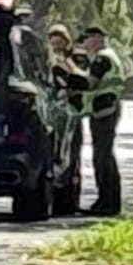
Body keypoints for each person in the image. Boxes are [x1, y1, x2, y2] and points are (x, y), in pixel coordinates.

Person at [80, 26, 124, 216]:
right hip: (105, 108)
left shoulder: (102, 58)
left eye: (87, 39)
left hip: (105, 110)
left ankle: (107, 203)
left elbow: (91, 83)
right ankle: (107, 201)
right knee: (104, 156)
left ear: (97, 38)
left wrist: (71, 74)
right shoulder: (108, 56)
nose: (85, 43)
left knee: (102, 158)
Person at [47, 24, 89, 214]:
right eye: (52, 41)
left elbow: (83, 79)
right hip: (52, 113)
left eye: (59, 41)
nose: (56, 45)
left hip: (72, 112)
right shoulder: (47, 59)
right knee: (54, 157)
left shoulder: (77, 57)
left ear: (66, 40)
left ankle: (69, 202)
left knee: (71, 158)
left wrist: (66, 63)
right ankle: (52, 196)